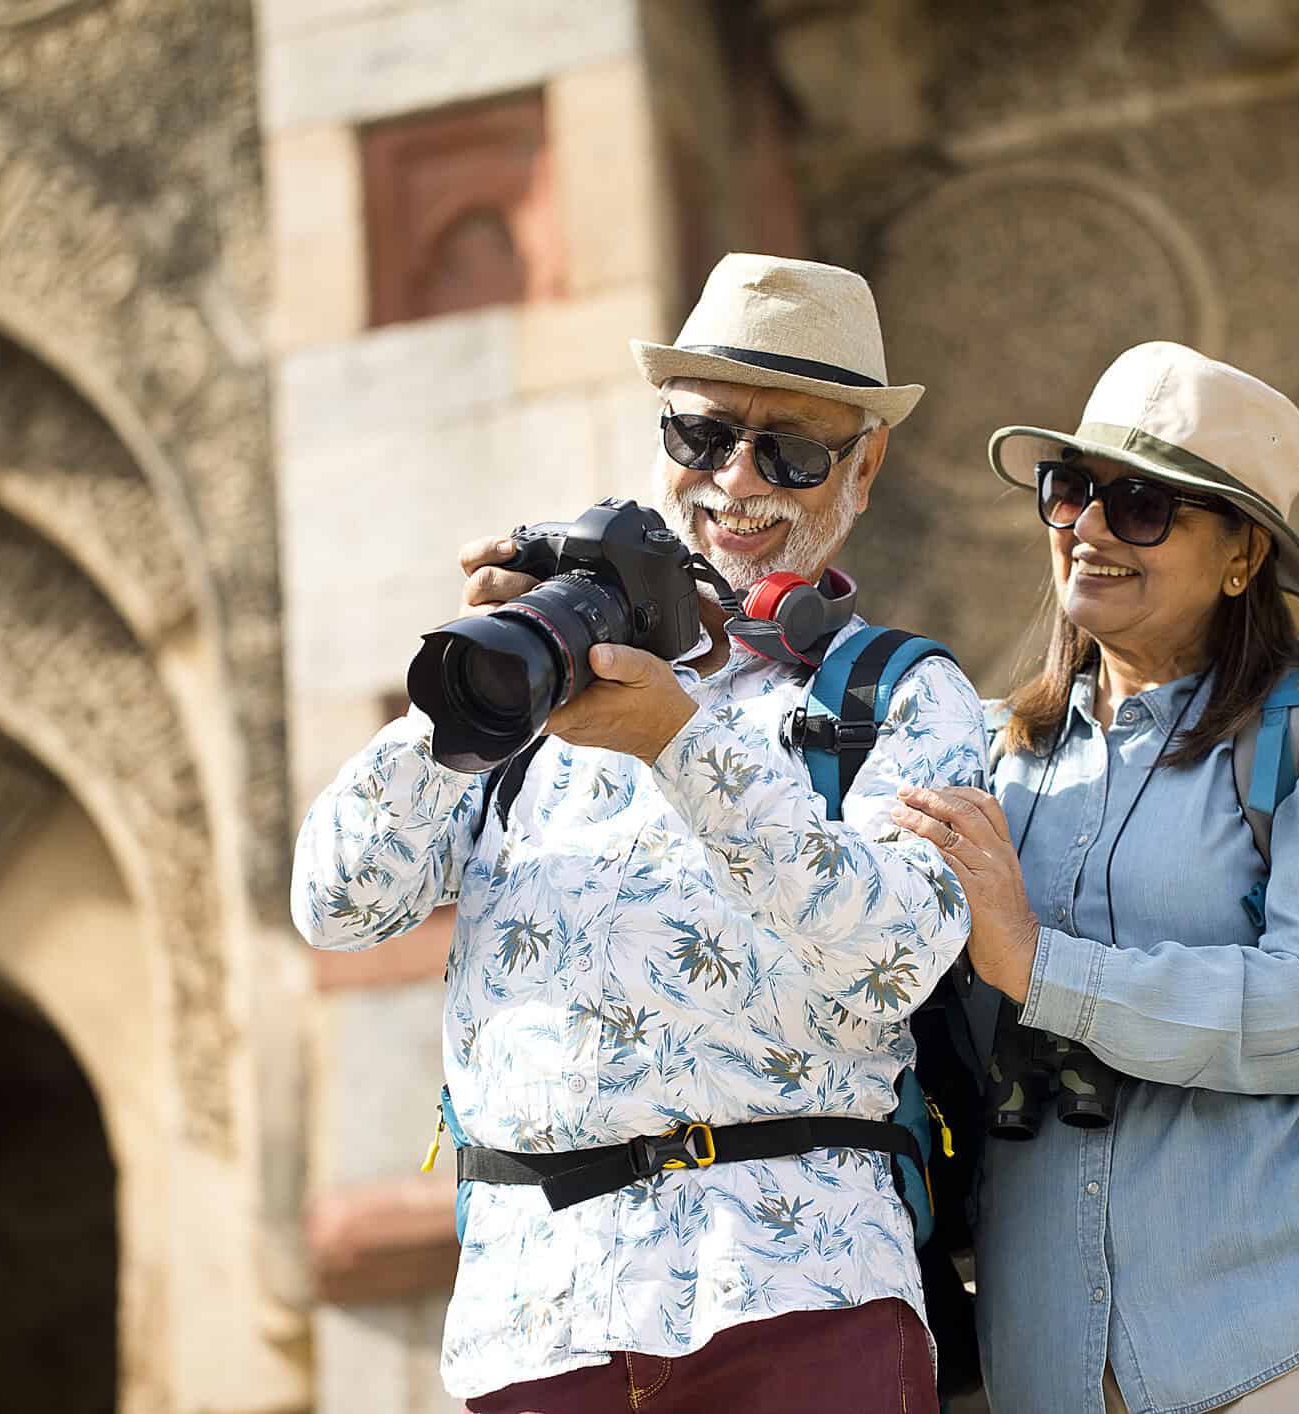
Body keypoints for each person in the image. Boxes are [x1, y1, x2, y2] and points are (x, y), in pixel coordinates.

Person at [292, 253, 986, 1414]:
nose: (737, 482)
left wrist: (681, 744)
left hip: (795, 1288)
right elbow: (337, 904)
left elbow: (892, 958)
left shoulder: (898, 696)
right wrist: (471, 692)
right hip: (536, 1314)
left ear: (865, 464)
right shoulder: (542, 682)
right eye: (703, 437)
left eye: (793, 451)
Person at [893, 342, 1299, 1413]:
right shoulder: (995, 755)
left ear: (1243, 555)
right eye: (1072, 493)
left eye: (1143, 506)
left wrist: (1043, 968)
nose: (1090, 530)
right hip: (1048, 1354)